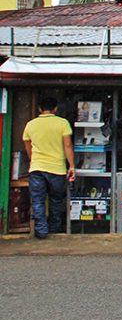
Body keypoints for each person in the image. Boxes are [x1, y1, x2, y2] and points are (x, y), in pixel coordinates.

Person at [22, 97, 75, 239]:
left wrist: (34, 160)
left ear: (39, 108)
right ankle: (55, 228)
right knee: (56, 199)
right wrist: (71, 166)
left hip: (37, 168)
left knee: (38, 200)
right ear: (55, 108)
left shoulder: (30, 125)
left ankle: (41, 230)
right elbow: (68, 145)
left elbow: (28, 146)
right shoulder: (62, 123)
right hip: (57, 168)